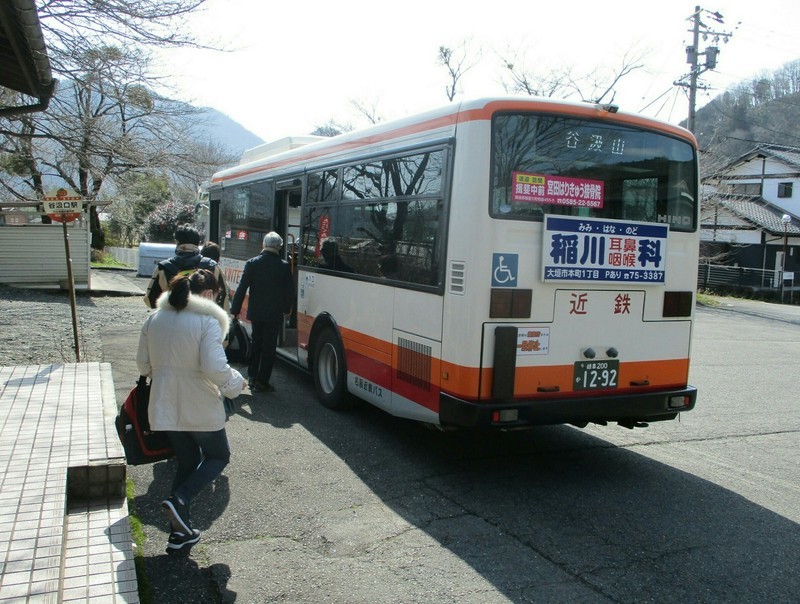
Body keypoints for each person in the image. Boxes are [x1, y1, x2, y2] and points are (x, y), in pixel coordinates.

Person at [136, 269, 244, 554]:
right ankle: (181, 498)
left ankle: (179, 533)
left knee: (187, 461)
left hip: (164, 404)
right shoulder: (207, 322)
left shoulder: (154, 319)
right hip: (198, 403)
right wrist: (236, 384)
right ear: (208, 295)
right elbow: (213, 367)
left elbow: (143, 366)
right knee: (219, 455)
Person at [230, 231, 294, 393]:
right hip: (274, 314)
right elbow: (289, 292)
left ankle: (252, 376)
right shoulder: (284, 266)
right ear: (279, 247)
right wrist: (286, 310)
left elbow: (241, 289)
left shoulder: (252, 263)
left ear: (263, 245)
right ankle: (263, 380)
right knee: (269, 347)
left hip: (256, 312)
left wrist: (235, 310)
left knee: (256, 342)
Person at [144, 224, 229, 311]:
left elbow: (150, 301)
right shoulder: (212, 266)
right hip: (204, 320)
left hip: (173, 319)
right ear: (198, 243)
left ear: (177, 242)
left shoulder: (163, 268)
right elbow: (223, 299)